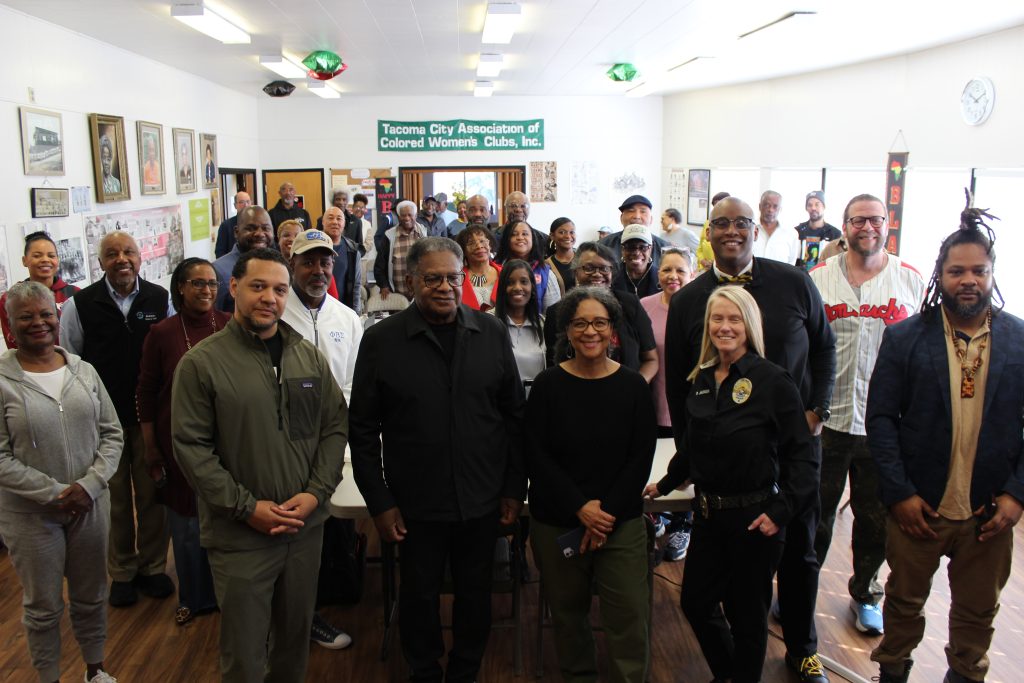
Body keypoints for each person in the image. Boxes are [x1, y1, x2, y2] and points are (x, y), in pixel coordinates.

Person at [665, 197, 836, 683]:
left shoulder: (795, 282)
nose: (732, 231)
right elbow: (680, 383)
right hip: (729, 462)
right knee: (731, 582)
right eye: (721, 223)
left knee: (800, 553)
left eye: (741, 223)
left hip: (794, 447)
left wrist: (817, 411)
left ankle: (802, 649)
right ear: (708, 233)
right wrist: (690, 457)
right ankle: (738, 667)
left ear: (754, 230)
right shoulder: (690, 300)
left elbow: (825, 349)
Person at [349, 237, 526, 683]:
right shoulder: (381, 340)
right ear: (411, 282)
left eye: (452, 277)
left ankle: (466, 670)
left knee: (476, 593)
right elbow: (363, 429)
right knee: (419, 595)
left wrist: (513, 487)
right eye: (432, 279)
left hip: (482, 497)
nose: (445, 287)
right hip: (415, 502)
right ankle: (424, 671)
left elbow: (514, 417)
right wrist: (379, 501)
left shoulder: (490, 332)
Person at [171, 248, 347, 683]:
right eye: (258, 286)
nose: (269, 298)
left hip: (304, 529)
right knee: (245, 655)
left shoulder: (307, 356)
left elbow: (333, 427)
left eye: (279, 290)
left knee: (293, 646)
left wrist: (315, 494)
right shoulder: (201, 364)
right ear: (234, 287)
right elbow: (192, 449)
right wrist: (247, 508)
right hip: (241, 535)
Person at [866, 200, 1024, 683]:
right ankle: (893, 672)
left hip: (989, 513)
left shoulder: (1019, 340)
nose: (968, 280)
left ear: (992, 274)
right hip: (920, 508)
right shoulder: (905, 338)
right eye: (957, 271)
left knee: (978, 613)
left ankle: (965, 675)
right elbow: (881, 419)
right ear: (941, 274)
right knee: (903, 604)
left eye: (979, 271)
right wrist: (900, 493)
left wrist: (1017, 495)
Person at [647, 286, 817, 683]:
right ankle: (729, 674)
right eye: (717, 319)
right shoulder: (703, 378)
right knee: (695, 602)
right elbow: (693, 445)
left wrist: (780, 513)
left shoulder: (773, 382)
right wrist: (666, 483)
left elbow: (803, 458)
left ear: (749, 325)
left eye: (734, 319)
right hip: (709, 516)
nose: (724, 327)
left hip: (754, 520)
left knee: (747, 618)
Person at [809, 194, 925, 637]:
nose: (867, 228)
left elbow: (922, 352)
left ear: (887, 224)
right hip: (828, 420)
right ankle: (802, 587)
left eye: (875, 220)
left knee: (875, 521)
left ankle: (866, 594)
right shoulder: (818, 279)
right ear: (845, 226)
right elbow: (803, 349)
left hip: (885, 426)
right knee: (814, 514)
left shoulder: (909, 279)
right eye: (858, 220)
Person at [528, 286, 656, 683]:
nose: (590, 331)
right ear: (567, 331)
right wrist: (581, 508)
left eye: (599, 323)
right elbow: (536, 455)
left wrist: (604, 515)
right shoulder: (547, 385)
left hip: (620, 523)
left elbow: (640, 458)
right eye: (580, 323)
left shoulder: (634, 386)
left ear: (613, 331)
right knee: (567, 615)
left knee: (629, 614)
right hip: (558, 521)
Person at [0, 281, 123, 683]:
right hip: (31, 515)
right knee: (43, 607)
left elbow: (112, 434)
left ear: (57, 317)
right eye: (26, 317)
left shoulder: (83, 370)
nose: (38, 322)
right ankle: (49, 677)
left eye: (45, 314)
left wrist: (90, 485)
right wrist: (55, 494)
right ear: (10, 324)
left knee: (92, 595)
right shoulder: (3, 380)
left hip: (90, 505)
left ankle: (95, 669)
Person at [60, 231, 175, 609]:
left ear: (140, 258)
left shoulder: (159, 298)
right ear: (100, 262)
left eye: (128, 252)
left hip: (149, 419)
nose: (121, 259)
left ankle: (153, 566)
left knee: (153, 494)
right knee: (114, 500)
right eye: (112, 254)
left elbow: (170, 353)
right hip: (101, 421)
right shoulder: (80, 305)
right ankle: (122, 572)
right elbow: (70, 362)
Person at [281, 229, 363, 651]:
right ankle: (298, 618)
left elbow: (352, 382)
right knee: (295, 531)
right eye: (308, 262)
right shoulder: (277, 312)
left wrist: (340, 433)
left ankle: (328, 596)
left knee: (334, 524)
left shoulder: (347, 318)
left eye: (324, 262)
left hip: (334, 440)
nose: (318, 270)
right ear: (292, 264)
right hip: (286, 443)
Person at [136, 258, 230, 626]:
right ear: (180, 287)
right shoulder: (162, 333)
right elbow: (146, 391)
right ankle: (193, 597)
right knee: (187, 524)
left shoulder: (229, 324)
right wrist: (150, 445)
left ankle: (225, 593)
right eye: (198, 283)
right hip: (177, 441)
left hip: (225, 440)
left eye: (212, 283)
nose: (207, 290)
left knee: (224, 518)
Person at [640, 247, 695, 562]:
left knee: (685, 466)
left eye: (680, 270)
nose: (673, 276)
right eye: (666, 270)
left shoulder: (701, 306)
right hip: (653, 400)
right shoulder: (644, 306)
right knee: (653, 463)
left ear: (691, 275)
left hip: (688, 405)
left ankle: (682, 524)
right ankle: (656, 515)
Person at [544, 242, 658, 383]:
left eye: (604, 268)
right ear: (576, 272)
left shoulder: (630, 304)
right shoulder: (556, 312)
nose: (597, 274)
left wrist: (635, 387)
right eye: (589, 268)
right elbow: (553, 366)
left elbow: (651, 359)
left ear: (612, 273)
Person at [0, 231, 80, 348]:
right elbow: (13, 343)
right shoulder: (10, 299)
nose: (45, 260)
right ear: (24, 260)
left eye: (51, 256)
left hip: (71, 358)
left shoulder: (76, 294)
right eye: (37, 256)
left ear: (57, 260)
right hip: (29, 359)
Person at [493, 259, 545, 391]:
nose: (517, 288)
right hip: (502, 400)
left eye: (524, 282)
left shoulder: (542, 323)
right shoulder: (489, 322)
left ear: (532, 287)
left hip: (537, 398)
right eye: (510, 283)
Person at [214, 206, 274, 312]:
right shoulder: (217, 271)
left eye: (265, 228)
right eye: (251, 228)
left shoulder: (278, 266)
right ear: (236, 232)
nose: (260, 234)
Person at [495, 220, 562, 312]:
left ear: (533, 239)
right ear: (506, 240)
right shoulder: (495, 269)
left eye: (525, 234)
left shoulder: (545, 273)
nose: (520, 237)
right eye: (514, 234)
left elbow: (553, 313)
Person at [599, 195, 671, 269]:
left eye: (643, 211)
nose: (637, 216)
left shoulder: (665, 249)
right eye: (631, 211)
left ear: (651, 219)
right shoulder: (603, 246)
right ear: (621, 218)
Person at [374, 199, 426, 301]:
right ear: (398, 217)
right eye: (403, 215)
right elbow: (379, 265)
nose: (407, 218)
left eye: (410, 215)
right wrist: (384, 285)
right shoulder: (389, 236)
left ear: (416, 215)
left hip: (420, 293)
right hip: (396, 294)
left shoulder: (425, 234)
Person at [321, 206, 362, 313]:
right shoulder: (313, 247)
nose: (335, 222)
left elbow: (356, 285)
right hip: (318, 308)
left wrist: (355, 313)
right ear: (323, 222)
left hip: (344, 309)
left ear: (344, 224)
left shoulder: (353, 251)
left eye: (339, 219)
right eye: (330, 218)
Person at [455, 225, 500, 310]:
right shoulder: (457, 278)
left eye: (482, 241)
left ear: (490, 245)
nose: (479, 246)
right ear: (463, 251)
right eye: (471, 243)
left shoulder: (505, 272)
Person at [796, 191, 842, 270]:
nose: (813, 208)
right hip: (800, 276)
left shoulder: (835, 234)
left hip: (825, 275)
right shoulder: (797, 231)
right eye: (810, 205)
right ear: (806, 208)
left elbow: (841, 260)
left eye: (817, 204)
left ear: (823, 207)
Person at [613, 224, 661, 298]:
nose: (637, 253)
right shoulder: (611, 278)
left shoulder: (662, 279)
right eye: (631, 247)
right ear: (622, 249)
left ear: (650, 249)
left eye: (643, 247)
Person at [752, 190, 800, 265]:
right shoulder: (749, 229)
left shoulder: (791, 234)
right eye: (767, 205)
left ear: (780, 209)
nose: (770, 210)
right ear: (760, 206)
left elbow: (791, 264)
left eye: (775, 206)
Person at [696, 191, 730, 272]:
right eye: (715, 206)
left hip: (723, 270)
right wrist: (703, 261)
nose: (716, 209)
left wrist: (716, 264)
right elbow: (700, 248)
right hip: (705, 269)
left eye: (719, 206)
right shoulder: (708, 223)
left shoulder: (732, 225)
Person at [214, 192, 254, 258]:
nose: (246, 205)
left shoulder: (257, 223)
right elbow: (220, 252)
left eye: (248, 201)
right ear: (235, 205)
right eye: (241, 202)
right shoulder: (226, 226)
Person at [546, 217, 576, 291]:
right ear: (552, 236)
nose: (568, 236)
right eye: (562, 232)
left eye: (572, 232)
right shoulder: (547, 265)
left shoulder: (584, 259)